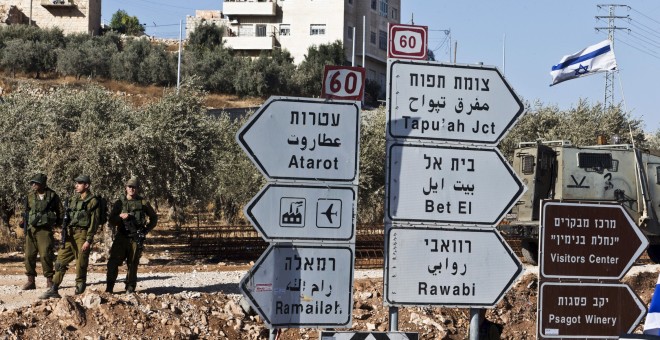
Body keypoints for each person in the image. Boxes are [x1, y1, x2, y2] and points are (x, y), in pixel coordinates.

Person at [40, 175, 99, 299]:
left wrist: (88, 240)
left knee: (81, 263)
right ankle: (54, 288)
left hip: (82, 234)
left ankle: (79, 292)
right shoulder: (74, 199)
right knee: (60, 261)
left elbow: (94, 222)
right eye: (76, 183)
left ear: (86, 185)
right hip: (70, 234)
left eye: (79, 183)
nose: (76, 185)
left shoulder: (93, 201)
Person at [106, 176, 158, 294]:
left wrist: (145, 230)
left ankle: (130, 287)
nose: (131, 189)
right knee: (113, 262)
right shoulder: (119, 203)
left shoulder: (143, 203)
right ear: (126, 188)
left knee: (133, 263)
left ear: (137, 189)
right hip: (122, 236)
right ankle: (109, 288)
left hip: (135, 237)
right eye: (129, 187)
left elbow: (154, 218)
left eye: (134, 187)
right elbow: (111, 220)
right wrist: (120, 217)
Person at [22, 173, 62, 291]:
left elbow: (60, 211)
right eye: (32, 183)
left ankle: (49, 280)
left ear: (43, 184)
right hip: (31, 229)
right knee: (29, 255)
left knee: (45, 254)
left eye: (36, 183)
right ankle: (31, 281)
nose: (33, 185)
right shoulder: (29, 196)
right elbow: (27, 211)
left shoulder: (52, 196)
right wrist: (23, 222)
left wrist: (58, 224)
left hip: (45, 230)